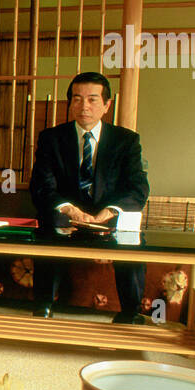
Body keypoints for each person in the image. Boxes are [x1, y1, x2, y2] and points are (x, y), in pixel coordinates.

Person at [29, 71, 149, 323]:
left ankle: (130, 312)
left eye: (92, 99)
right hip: (68, 214)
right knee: (50, 225)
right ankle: (43, 306)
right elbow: (42, 185)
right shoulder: (51, 138)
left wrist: (110, 211)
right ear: (70, 103)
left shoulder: (126, 141)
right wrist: (70, 209)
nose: (84, 106)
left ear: (106, 105)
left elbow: (138, 188)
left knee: (131, 234)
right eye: (77, 98)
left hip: (108, 213)